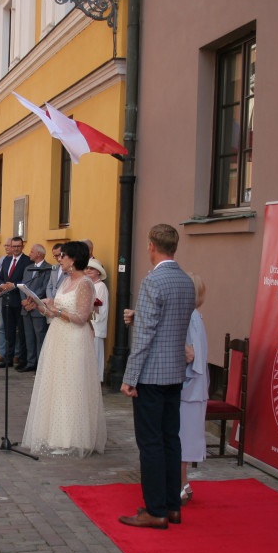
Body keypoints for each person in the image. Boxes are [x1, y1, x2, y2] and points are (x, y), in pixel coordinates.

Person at [119, 224, 195, 530]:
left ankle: (155, 510)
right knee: (170, 439)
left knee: (149, 443)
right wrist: (139, 315)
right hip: (174, 371)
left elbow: (146, 336)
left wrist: (130, 377)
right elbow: (172, 322)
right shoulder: (185, 280)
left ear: (152, 246)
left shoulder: (153, 281)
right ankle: (172, 506)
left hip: (151, 373)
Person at [20, 241, 107, 457]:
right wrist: (42, 303)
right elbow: (58, 303)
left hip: (75, 338)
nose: (59, 259)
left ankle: (72, 438)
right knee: (56, 382)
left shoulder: (85, 283)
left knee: (71, 384)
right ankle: (55, 434)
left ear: (74, 259)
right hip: (58, 335)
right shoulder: (66, 280)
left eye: (63, 256)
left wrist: (56, 313)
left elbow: (81, 317)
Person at [179, 274, 208, 505]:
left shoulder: (190, 318)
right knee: (182, 438)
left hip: (188, 390)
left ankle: (181, 484)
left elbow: (191, 356)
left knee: (182, 439)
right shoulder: (194, 316)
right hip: (192, 389)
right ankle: (182, 482)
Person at [0, 237, 27, 369]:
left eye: (18, 246)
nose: (15, 249)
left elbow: (27, 280)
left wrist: (14, 285)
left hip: (20, 300)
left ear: (22, 246)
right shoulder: (7, 260)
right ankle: (7, 358)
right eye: (13, 246)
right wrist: (2, 285)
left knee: (22, 332)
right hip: (6, 300)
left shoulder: (27, 261)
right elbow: (1, 277)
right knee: (9, 332)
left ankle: (21, 359)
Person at [20, 244, 53, 372]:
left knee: (40, 335)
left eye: (32, 251)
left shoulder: (48, 268)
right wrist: (24, 300)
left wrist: (32, 300)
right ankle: (30, 362)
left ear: (39, 254)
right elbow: (23, 285)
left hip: (38, 307)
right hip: (26, 307)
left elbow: (44, 287)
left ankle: (40, 364)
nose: (29, 253)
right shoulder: (28, 268)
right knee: (28, 336)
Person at [86, 258, 110, 382]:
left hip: (95, 324)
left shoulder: (101, 286)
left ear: (98, 272)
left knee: (95, 354)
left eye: (92, 269)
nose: (89, 270)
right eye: (87, 268)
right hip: (88, 323)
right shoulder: (89, 285)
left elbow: (100, 306)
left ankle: (95, 380)